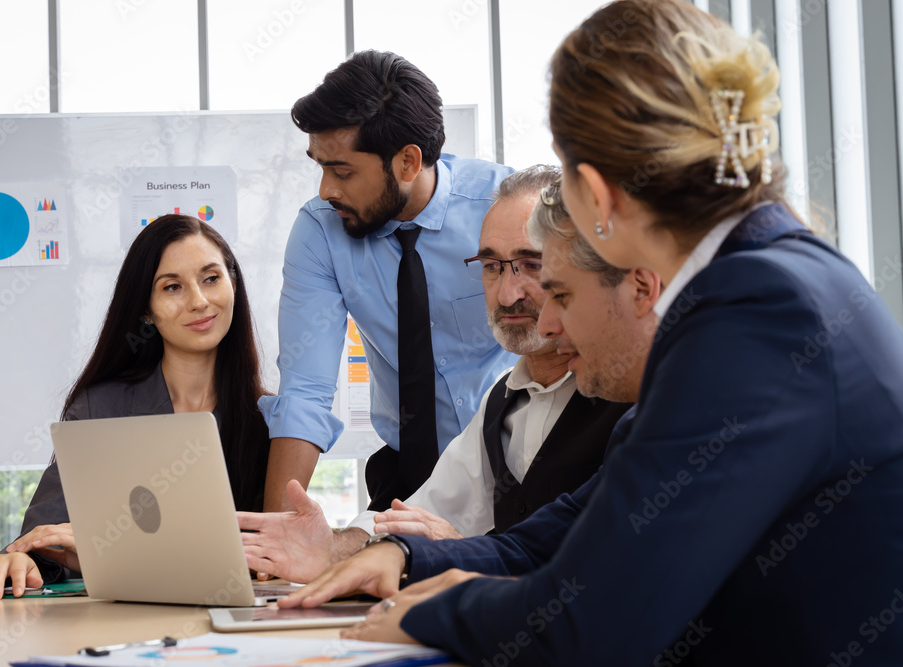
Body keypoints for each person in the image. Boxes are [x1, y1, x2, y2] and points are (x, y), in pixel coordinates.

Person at [276, 2, 903, 663]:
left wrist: (441, 606)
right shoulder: (774, 279)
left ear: (596, 192)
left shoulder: (754, 311)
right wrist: (406, 556)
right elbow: (576, 527)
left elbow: (595, 621)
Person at [238, 166, 637, 583]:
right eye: (491, 267)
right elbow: (425, 513)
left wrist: (453, 551)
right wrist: (330, 548)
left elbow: (603, 568)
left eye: (531, 265)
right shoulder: (502, 402)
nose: (507, 294)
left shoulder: (628, 396)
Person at [0, 214, 271, 600]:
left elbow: (273, 553)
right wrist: (22, 561)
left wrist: (101, 551)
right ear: (145, 309)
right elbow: (44, 539)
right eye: (172, 287)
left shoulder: (271, 418)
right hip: (123, 624)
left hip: (240, 626)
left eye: (211, 278)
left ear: (233, 284)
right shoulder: (100, 407)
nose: (199, 301)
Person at [259, 50, 516, 512]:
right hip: (407, 476)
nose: (325, 190)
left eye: (342, 171)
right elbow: (306, 390)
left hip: (513, 462)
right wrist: (275, 532)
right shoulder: (321, 230)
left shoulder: (505, 210)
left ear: (407, 162)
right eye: (320, 167)